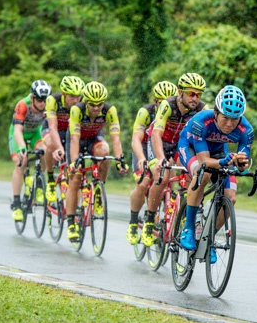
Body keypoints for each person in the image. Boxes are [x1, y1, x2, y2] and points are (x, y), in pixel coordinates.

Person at [177, 85, 254, 262]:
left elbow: (242, 165)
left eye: (234, 120)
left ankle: (208, 239)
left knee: (231, 197)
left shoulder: (246, 131)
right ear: (216, 112)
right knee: (202, 174)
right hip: (189, 147)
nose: (229, 124)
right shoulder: (201, 122)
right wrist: (224, 161)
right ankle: (188, 228)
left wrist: (242, 164)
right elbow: (204, 161)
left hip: (219, 151)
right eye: (225, 118)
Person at [133, 73, 207, 248]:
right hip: (158, 143)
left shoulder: (202, 109)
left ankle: (183, 212)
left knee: (190, 176)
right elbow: (156, 134)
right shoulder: (167, 105)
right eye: (191, 93)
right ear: (180, 92)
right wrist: (160, 159)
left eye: (198, 94)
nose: (195, 98)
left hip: (179, 145)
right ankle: (150, 220)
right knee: (162, 175)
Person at [66, 81, 129, 242]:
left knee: (105, 153)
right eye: (92, 104)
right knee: (76, 177)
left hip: (94, 138)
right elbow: (74, 139)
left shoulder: (110, 110)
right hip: (77, 141)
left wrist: (120, 159)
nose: (96, 108)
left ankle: (98, 190)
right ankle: (71, 222)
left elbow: (115, 139)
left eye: (99, 104)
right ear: (86, 101)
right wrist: (74, 162)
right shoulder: (76, 110)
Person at [128, 81, 178, 242]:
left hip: (165, 145)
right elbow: (136, 139)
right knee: (144, 182)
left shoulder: (176, 111)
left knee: (169, 175)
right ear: (154, 101)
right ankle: (133, 221)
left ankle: (169, 208)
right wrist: (141, 158)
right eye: (160, 101)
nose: (164, 105)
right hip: (144, 146)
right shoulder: (146, 112)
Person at [9, 80, 51, 221]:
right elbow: (17, 130)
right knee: (22, 162)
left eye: (45, 100)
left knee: (45, 151)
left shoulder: (50, 106)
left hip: (34, 134)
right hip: (18, 134)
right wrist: (21, 147)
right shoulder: (23, 105)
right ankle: (16, 204)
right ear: (32, 97)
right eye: (39, 100)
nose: (42, 103)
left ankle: (39, 183)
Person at [42, 75, 85, 202]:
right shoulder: (52, 100)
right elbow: (52, 127)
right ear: (63, 94)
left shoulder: (82, 103)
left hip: (69, 132)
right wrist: (59, 148)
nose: (76, 100)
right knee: (50, 144)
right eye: (72, 96)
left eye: (78, 96)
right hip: (53, 130)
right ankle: (50, 179)